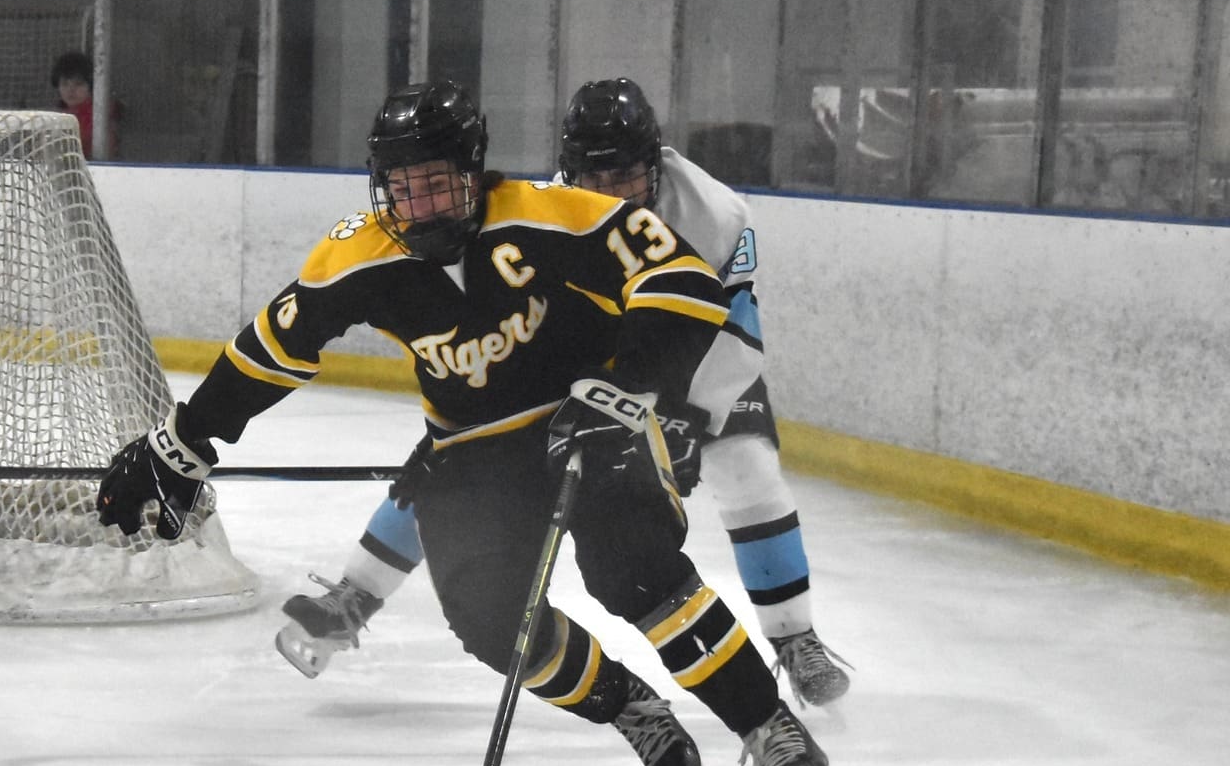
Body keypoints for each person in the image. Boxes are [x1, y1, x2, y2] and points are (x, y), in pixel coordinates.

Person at [96, 80, 846, 766]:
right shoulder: (357, 254)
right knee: (492, 621)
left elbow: (682, 284)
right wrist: (182, 441)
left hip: (585, 428)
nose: (419, 206)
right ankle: (629, 706)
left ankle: (765, 720)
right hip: (475, 453)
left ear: (474, 173)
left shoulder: (554, 216)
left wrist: (620, 393)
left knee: (634, 571)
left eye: (437, 186)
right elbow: (272, 349)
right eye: (402, 189)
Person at [275, 78, 854, 713]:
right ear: (568, 168)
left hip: (704, 366)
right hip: (601, 368)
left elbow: (736, 332)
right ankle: (357, 594)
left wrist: (686, 414)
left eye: (626, 177)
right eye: (592, 177)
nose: (609, 194)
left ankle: (796, 638)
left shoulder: (716, 214)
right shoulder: (555, 210)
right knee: (456, 458)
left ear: (655, 163)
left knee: (750, 471)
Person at [50, 50, 120, 157]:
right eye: (65, 84)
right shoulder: (53, 117)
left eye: (78, 84)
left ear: (90, 87)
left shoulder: (101, 117)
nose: (71, 90)